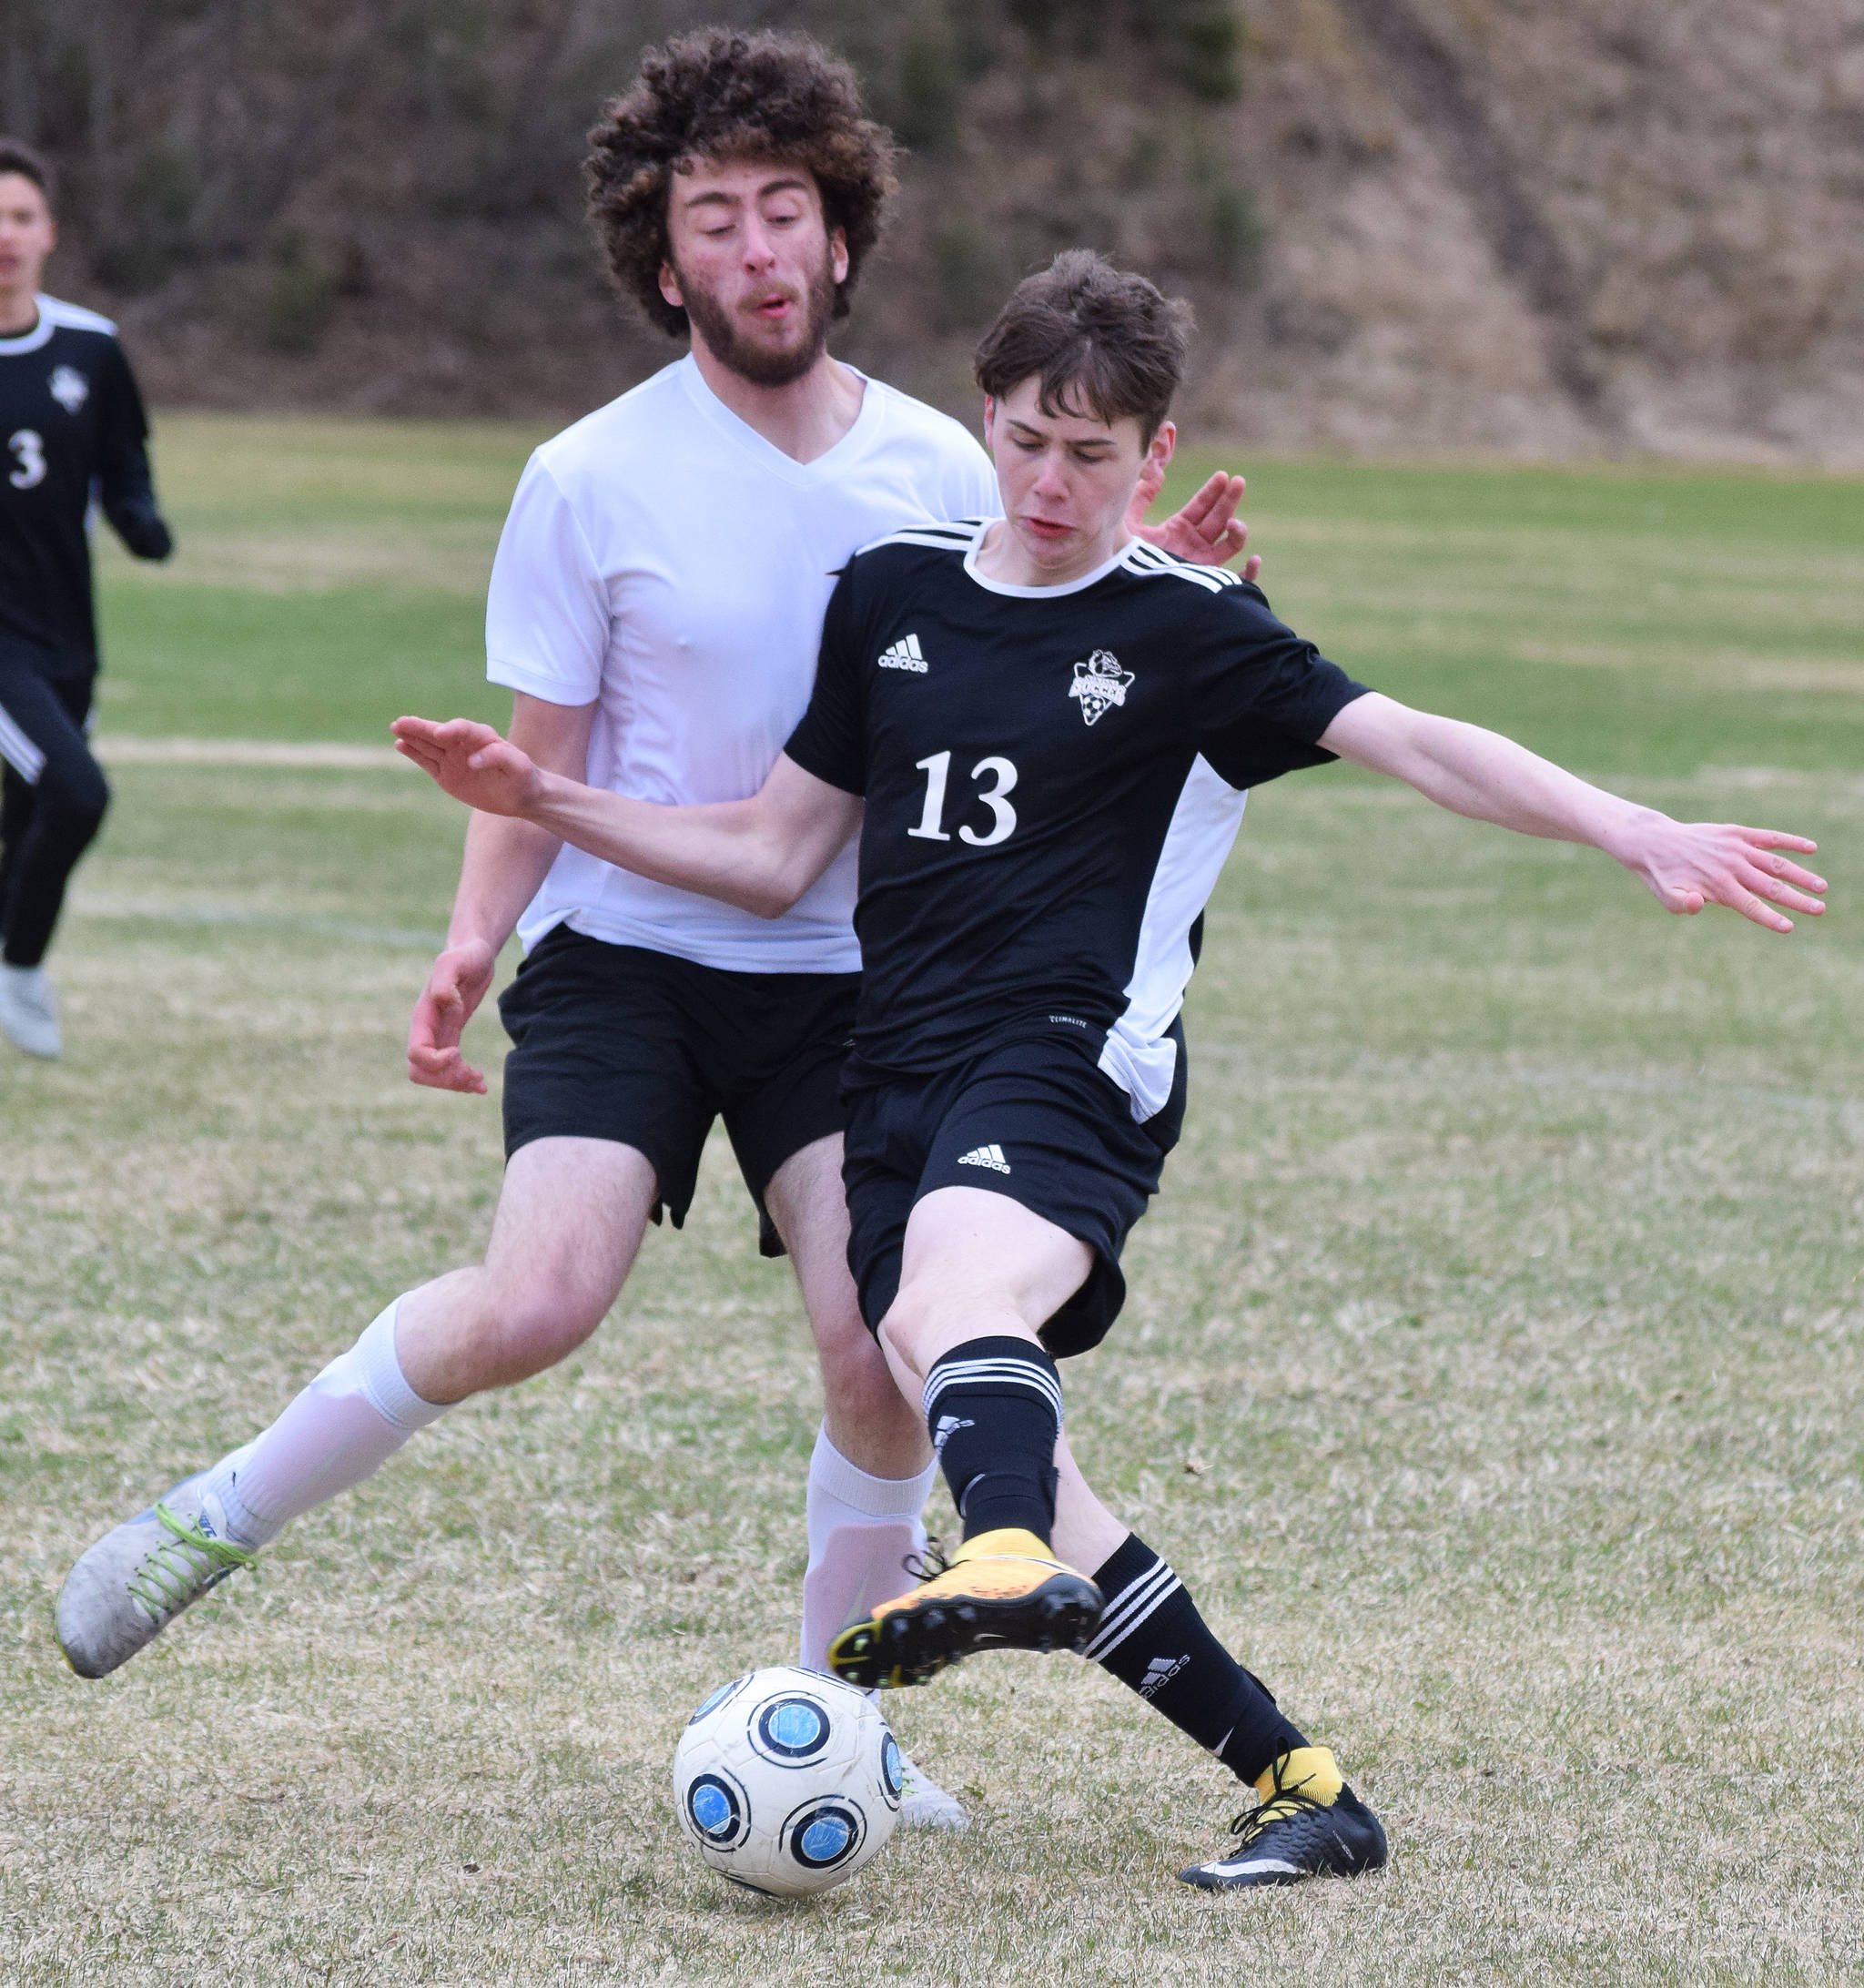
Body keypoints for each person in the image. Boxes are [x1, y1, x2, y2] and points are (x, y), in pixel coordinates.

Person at [390, 250, 1826, 1889]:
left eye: (1091, 452)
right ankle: (1300, 1782)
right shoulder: (893, 595)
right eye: (1022, 438)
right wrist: (540, 797)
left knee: (937, 1319)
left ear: (1155, 459)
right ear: (984, 424)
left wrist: (1628, 824)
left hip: (1073, 1059)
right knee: (1023, 1450)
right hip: (896, 1074)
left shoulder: (1192, 629)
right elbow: (773, 850)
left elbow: (1411, 737)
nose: (1049, 480)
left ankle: (990, 1550)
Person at [52, 34, 1250, 1831]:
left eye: (787, 211)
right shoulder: (586, 478)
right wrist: (473, 944)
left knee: (881, 1355)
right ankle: (212, 1513)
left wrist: (1172, 579)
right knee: (540, 1297)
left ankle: (843, 1723)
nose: (758, 250)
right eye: (715, 219)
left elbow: (1061, 605)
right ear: (663, 254)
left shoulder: (943, 463)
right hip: (623, 952)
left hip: (856, 977)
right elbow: (531, 764)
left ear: (840, 239)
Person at [0, 139, 172, 1060]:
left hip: (67, 635)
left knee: (28, 816)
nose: (5, 234)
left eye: (20, 216)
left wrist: (140, 517)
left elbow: (120, 460)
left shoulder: (90, 348)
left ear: (50, 232)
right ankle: (19, 969)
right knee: (76, 792)